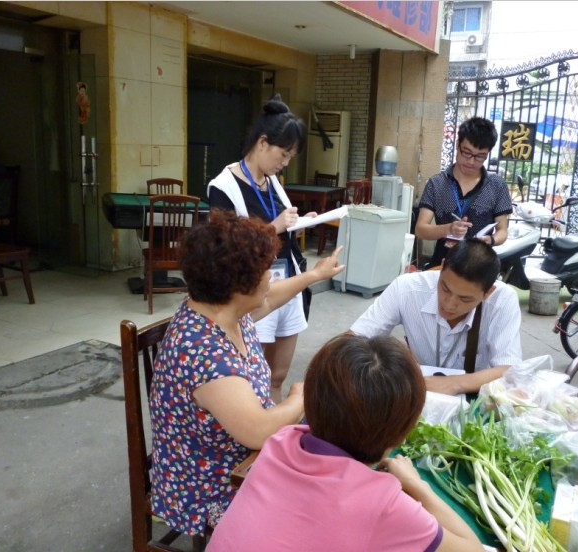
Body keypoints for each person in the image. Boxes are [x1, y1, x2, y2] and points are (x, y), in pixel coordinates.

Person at [148, 211, 345, 537]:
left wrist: (314, 275)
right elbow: (259, 432)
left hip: (239, 459)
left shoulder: (220, 308)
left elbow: (269, 299)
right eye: (265, 270)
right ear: (238, 287)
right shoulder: (204, 354)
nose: (271, 276)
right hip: (209, 485)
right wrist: (301, 396)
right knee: (322, 509)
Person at [208, 334, 484, 552]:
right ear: (403, 433)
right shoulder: (383, 504)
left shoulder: (281, 442)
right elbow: (472, 549)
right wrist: (417, 485)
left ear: (310, 403)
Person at [208, 94, 315, 402]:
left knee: (278, 375)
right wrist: (275, 227)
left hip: (287, 283)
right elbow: (227, 249)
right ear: (263, 143)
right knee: (255, 376)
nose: (285, 163)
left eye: (291, 156)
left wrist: (299, 223)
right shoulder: (223, 186)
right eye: (284, 154)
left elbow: (281, 226)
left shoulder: (272, 181)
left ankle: (275, 426)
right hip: (254, 291)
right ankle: (258, 426)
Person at [350, 239, 521, 396]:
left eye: (465, 299)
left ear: (488, 292)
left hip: (474, 396)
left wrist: (454, 383)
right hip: (417, 389)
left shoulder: (503, 300)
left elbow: (509, 370)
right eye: (445, 288)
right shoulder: (406, 288)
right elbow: (354, 339)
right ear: (442, 267)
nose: (449, 304)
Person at [415, 117, 512, 268]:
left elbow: (503, 231)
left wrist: (491, 240)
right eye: (467, 152)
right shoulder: (437, 183)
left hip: (479, 267)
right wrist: (448, 229)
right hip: (442, 264)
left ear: (488, 153)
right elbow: (420, 229)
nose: (471, 161)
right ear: (458, 144)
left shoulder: (497, 185)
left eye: (480, 156)